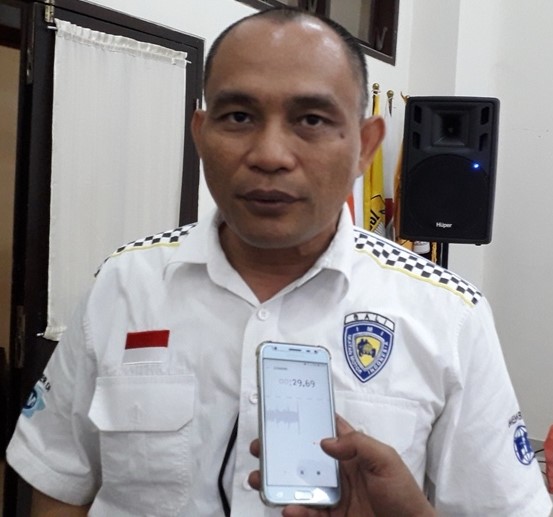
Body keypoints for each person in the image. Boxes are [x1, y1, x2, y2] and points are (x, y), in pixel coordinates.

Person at [5, 6, 552, 517]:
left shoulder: (450, 316)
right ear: (201, 135)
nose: (269, 155)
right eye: (239, 116)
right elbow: (59, 480)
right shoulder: (124, 284)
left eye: (311, 120)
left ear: (365, 146)